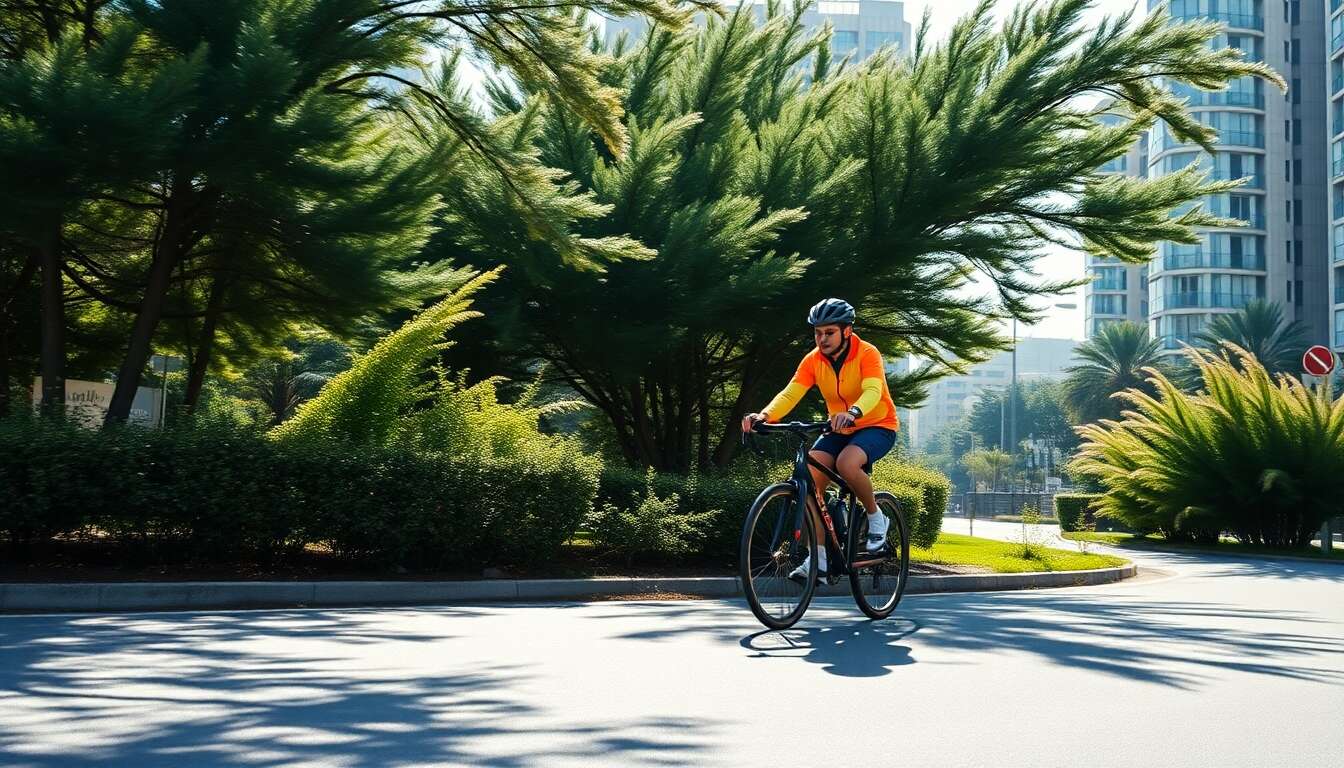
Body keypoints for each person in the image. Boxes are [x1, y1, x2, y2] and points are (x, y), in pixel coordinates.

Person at [741, 298, 900, 581]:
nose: (822, 338)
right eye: (818, 333)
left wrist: (853, 412)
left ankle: (876, 517)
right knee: (808, 482)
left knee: (847, 464)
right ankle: (820, 559)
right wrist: (764, 416)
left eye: (829, 332)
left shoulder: (867, 353)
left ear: (846, 331)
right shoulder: (813, 360)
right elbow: (791, 392)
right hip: (838, 429)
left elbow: (873, 390)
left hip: (877, 425)